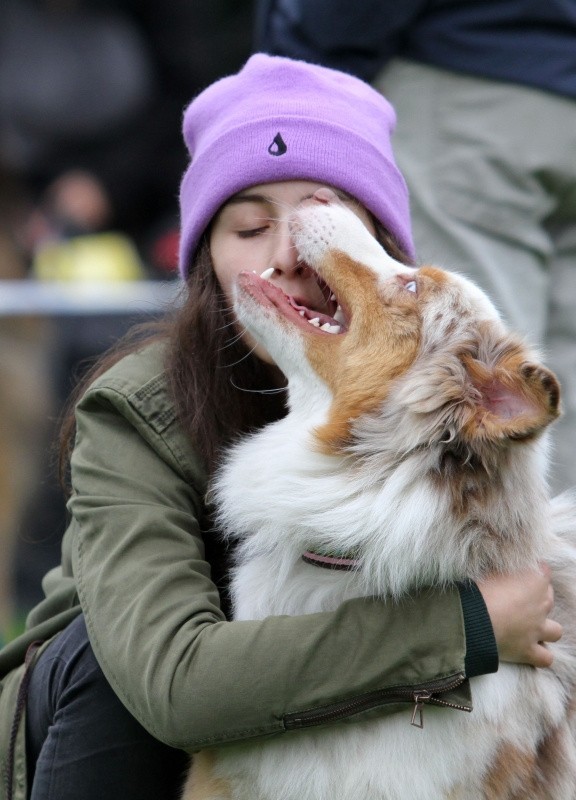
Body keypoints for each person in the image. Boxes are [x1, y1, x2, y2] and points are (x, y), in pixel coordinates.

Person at [0, 54, 561, 800]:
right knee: (116, 665)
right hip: (118, 726)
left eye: (322, 219)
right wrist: (466, 628)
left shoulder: (443, 433)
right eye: (251, 227)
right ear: (206, 262)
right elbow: (176, 685)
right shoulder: (136, 406)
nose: (288, 254)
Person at [256, 0, 576, 496]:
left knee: (460, 363)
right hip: (558, 85)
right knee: (552, 400)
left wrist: (303, 73)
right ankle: (539, 567)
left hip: (463, 85)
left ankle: (485, 573)